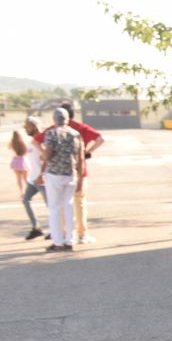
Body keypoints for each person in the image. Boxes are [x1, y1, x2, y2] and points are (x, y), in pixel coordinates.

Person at [39, 106, 84, 252]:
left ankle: (57, 241)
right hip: (70, 174)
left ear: (54, 120)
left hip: (54, 174)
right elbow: (81, 158)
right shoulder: (76, 134)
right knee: (69, 207)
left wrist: (42, 160)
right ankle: (70, 240)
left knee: (55, 209)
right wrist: (80, 178)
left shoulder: (51, 133)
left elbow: (48, 155)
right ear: (68, 119)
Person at [60, 102, 103, 244]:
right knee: (80, 202)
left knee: (63, 203)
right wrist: (87, 152)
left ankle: (65, 233)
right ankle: (82, 233)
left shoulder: (55, 128)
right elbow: (100, 139)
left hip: (60, 171)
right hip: (79, 170)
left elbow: (38, 141)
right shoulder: (80, 128)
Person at [18, 118, 44, 239]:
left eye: (27, 126)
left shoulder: (42, 141)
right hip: (33, 179)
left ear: (34, 127)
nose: (25, 129)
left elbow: (46, 158)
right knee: (26, 200)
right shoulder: (31, 141)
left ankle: (58, 229)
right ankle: (36, 227)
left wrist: (42, 175)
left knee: (52, 206)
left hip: (42, 179)